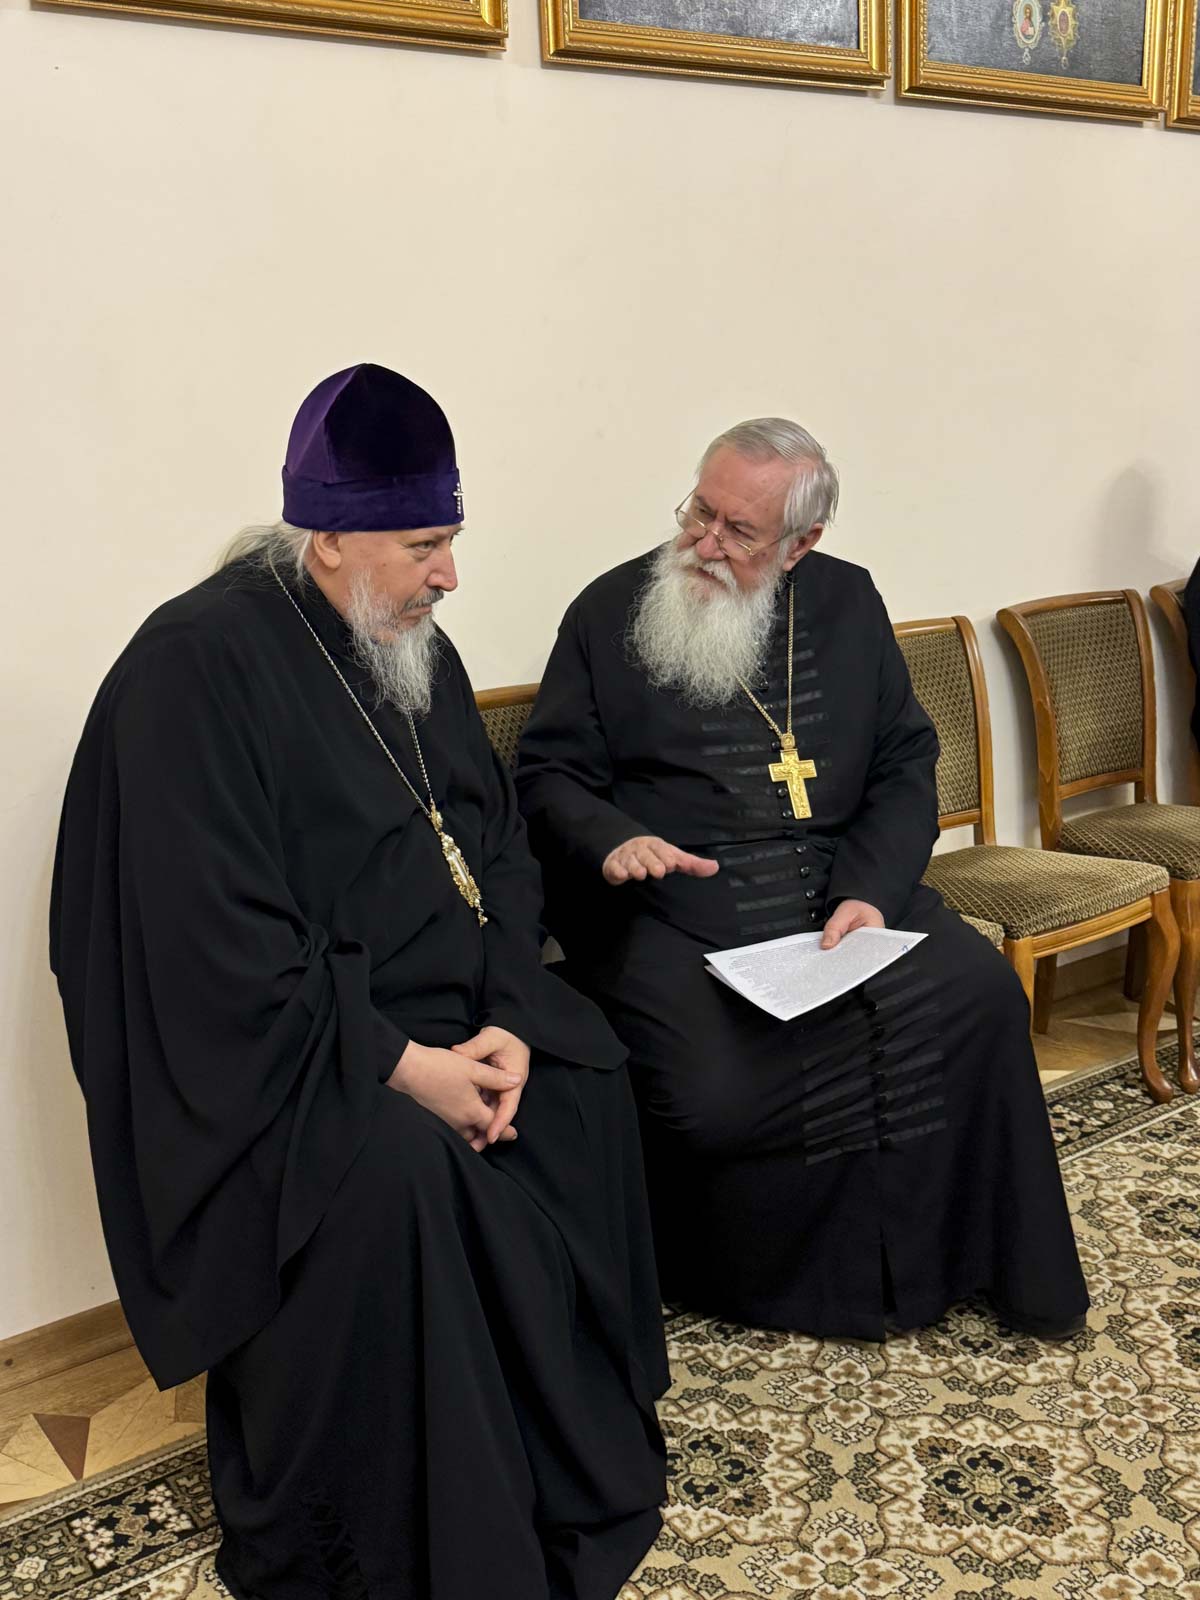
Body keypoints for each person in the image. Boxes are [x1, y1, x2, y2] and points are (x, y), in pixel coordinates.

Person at [50, 363, 667, 1600]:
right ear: (329, 537)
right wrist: (401, 1066)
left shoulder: (407, 645)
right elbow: (205, 945)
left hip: (448, 1015)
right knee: (404, 1181)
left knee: (583, 1074)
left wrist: (506, 1012)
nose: (451, 576)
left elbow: (492, 844)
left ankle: (555, 1463)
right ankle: (425, 1525)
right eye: (425, 546)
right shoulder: (192, 668)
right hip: (291, 1059)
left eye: (450, 541)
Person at [515, 417, 1088, 1344]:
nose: (704, 543)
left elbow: (905, 759)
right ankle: (761, 1281)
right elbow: (547, 776)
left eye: (738, 531)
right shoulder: (609, 611)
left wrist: (871, 892)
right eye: (699, 511)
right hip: (677, 907)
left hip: (841, 892)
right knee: (710, 1089)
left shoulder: (848, 600)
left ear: (801, 544)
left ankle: (958, 1258)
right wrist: (614, 838)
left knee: (980, 997)